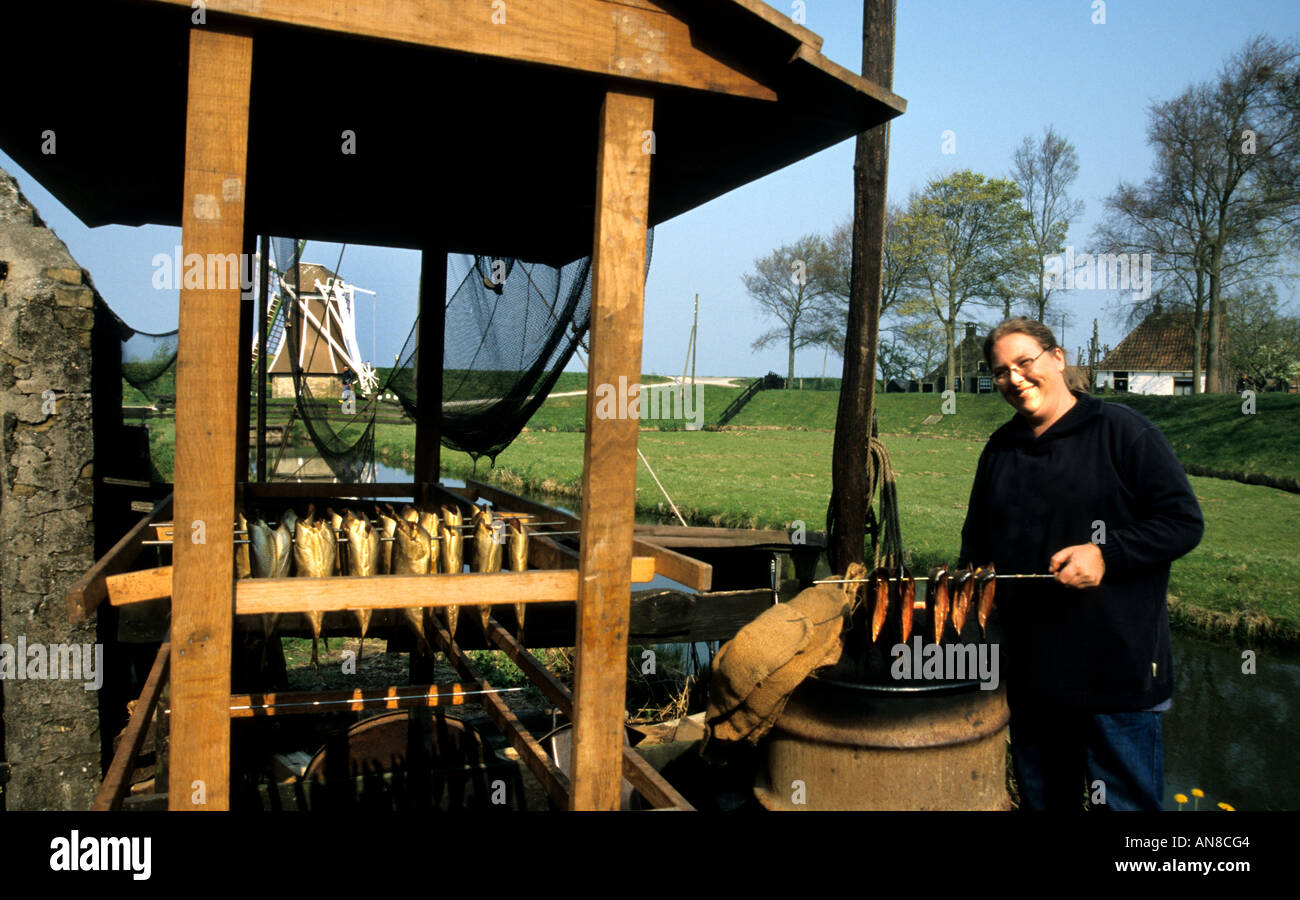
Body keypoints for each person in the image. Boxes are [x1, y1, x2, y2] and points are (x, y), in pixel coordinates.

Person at [959, 318, 1203, 811]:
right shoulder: (1000, 448)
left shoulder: (1123, 432)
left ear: (1058, 358)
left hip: (1116, 674)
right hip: (1033, 679)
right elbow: (976, 545)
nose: (1015, 379)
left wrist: (1106, 554)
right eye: (1001, 371)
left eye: (1024, 362)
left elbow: (1182, 522)